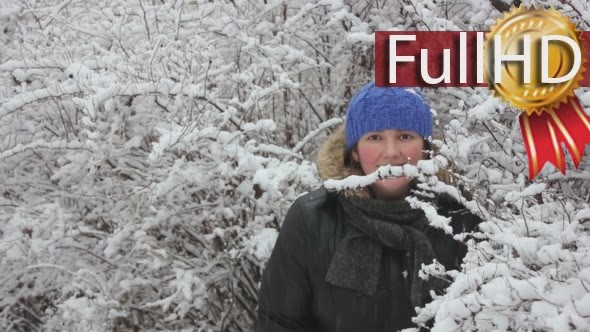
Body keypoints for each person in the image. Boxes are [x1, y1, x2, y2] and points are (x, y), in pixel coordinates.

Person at [256, 82, 480, 331]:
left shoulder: (462, 219)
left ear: (426, 147)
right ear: (354, 151)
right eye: (375, 137)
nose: (391, 152)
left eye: (405, 136)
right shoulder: (312, 219)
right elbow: (280, 323)